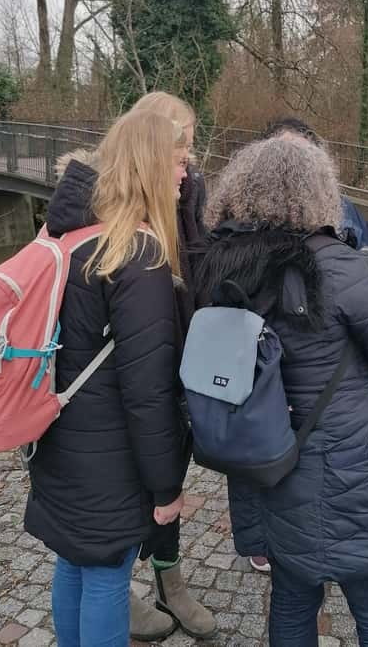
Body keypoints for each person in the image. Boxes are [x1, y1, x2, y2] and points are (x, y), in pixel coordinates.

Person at [196, 135, 368, 646]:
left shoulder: (223, 261)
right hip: (344, 465)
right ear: (318, 191)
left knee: (293, 596)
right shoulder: (338, 264)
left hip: (268, 455)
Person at [23, 109, 191, 646]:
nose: (185, 174)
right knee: (107, 575)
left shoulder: (71, 235)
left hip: (59, 437)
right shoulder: (138, 254)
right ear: (150, 166)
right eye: (180, 160)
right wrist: (166, 486)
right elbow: (148, 392)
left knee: (73, 562)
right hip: (110, 456)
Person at [127, 91, 216, 641]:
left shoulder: (191, 188)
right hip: (134, 352)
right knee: (127, 472)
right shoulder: (114, 195)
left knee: (170, 466)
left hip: (180, 349)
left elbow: (201, 264)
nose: (189, 161)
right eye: (181, 147)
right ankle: (116, 583)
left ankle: (169, 578)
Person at [263, 117, 368, 249]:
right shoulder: (250, 220)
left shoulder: (343, 209)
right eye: (286, 155)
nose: (296, 164)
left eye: (305, 155)